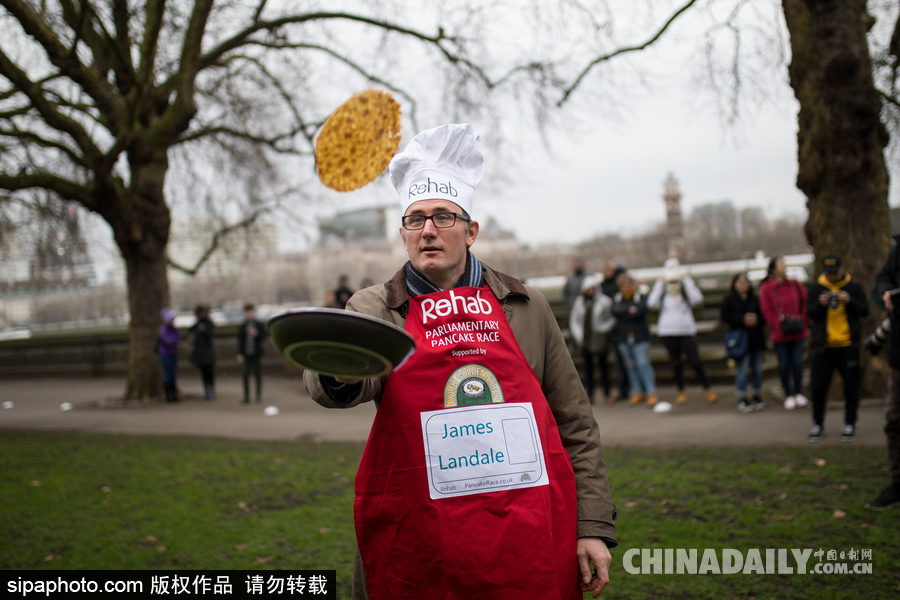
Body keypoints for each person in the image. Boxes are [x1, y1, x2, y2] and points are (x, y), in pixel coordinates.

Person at [302, 123, 616, 599]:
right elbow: (333, 380)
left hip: (524, 534)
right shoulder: (375, 307)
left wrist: (591, 524)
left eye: (443, 217)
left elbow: (574, 422)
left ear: (470, 231)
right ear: (404, 235)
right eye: (415, 219)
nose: (428, 230)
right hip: (422, 540)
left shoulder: (525, 305)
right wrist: (337, 369)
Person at [805, 253, 869, 443]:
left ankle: (850, 423)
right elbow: (809, 312)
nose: (832, 276)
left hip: (848, 346)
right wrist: (821, 304)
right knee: (818, 387)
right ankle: (818, 424)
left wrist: (850, 301)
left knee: (851, 387)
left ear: (842, 269)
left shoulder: (853, 287)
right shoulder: (817, 288)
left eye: (835, 272)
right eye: (829, 273)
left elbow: (864, 311)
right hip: (823, 347)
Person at [648, 262, 718, 405]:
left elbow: (698, 299)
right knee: (675, 363)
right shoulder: (663, 295)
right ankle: (681, 390)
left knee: (695, 361)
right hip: (668, 332)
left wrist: (686, 280)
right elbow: (651, 303)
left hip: (686, 331)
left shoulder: (686, 292)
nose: (673, 284)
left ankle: (707, 388)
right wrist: (660, 283)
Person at [868, 239, 900, 509]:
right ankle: (898, 484)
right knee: (893, 421)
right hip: (899, 356)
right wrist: (886, 293)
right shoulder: (898, 249)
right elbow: (881, 281)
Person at [759, 256, 810, 410]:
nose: (784, 267)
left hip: (798, 331)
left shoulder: (795, 284)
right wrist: (777, 323)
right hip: (780, 334)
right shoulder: (768, 288)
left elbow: (805, 303)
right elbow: (766, 310)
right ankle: (787, 393)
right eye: (781, 264)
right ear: (774, 270)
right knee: (783, 364)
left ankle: (798, 392)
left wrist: (802, 320)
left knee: (797, 363)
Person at [720, 273, 766, 412]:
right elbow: (724, 317)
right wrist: (742, 320)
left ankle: (757, 394)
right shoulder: (729, 300)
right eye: (739, 282)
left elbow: (764, 316)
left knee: (757, 369)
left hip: (755, 338)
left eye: (745, 282)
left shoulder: (754, 299)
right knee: (743, 369)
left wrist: (756, 321)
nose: (742, 285)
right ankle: (742, 396)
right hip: (740, 340)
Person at [611, 272, 658, 407]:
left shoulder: (640, 297)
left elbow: (640, 311)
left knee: (643, 363)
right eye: (624, 285)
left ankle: (651, 391)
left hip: (640, 337)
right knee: (630, 365)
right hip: (623, 338)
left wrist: (625, 312)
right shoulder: (617, 299)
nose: (626, 287)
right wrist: (629, 311)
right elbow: (615, 312)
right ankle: (638, 391)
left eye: (629, 285)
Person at [569, 274, 615, 404]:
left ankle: (607, 393)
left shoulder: (604, 302)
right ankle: (590, 394)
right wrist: (579, 335)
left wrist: (603, 329)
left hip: (599, 340)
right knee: (588, 369)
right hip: (585, 340)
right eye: (588, 289)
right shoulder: (580, 302)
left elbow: (611, 318)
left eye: (592, 289)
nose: (590, 291)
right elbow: (574, 320)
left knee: (603, 367)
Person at [601, 262, 630, 402]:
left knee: (630, 361)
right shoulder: (606, 287)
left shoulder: (621, 290)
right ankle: (623, 389)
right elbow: (614, 309)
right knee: (619, 362)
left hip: (626, 330)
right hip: (615, 331)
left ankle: (632, 389)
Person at [237, 303, 267, 405]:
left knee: (258, 375)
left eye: (251, 312)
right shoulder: (242, 326)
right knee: (245, 375)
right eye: (247, 312)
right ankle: (246, 396)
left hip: (256, 353)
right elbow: (240, 341)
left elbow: (265, 336)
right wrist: (239, 353)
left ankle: (258, 395)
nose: (249, 314)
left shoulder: (258, 324)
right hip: (246, 354)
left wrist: (257, 334)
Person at [189, 305, 217, 400]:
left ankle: (211, 391)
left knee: (209, 373)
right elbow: (190, 330)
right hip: (200, 354)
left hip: (208, 353)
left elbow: (210, 333)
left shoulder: (208, 323)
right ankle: (206, 391)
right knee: (204, 374)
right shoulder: (198, 324)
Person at [158, 307, 183, 403]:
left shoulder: (174, 329)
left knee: (173, 374)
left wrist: (175, 339)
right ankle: (168, 395)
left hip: (173, 353)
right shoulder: (163, 329)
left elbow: (179, 337)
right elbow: (168, 341)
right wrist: (175, 339)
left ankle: (173, 394)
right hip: (165, 354)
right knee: (168, 375)